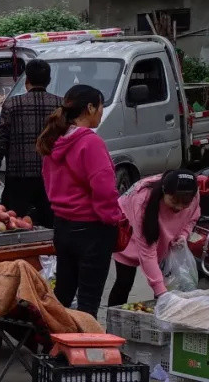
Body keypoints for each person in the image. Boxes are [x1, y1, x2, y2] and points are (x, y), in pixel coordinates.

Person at [38, 84, 123, 316]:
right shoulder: (91, 142)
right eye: (101, 106)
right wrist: (112, 219)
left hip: (63, 226)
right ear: (90, 107)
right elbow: (105, 190)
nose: (101, 112)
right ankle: (83, 349)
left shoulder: (54, 139)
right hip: (92, 229)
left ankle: (57, 348)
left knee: (64, 295)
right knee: (88, 301)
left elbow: (48, 183)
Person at [108, 170, 200, 306]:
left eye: (185, 204)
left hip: (163, 233)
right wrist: (162, 294)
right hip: (129, 231)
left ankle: (161, 319)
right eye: (174, 201)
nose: (179, 207)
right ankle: (113, 323)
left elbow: (193, 216)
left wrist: (183, 235)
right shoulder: (143, 201)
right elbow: (147, 253)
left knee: (167, 282)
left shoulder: (193, 194)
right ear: (164, 192)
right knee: (124, 281)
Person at [0, 59, 62, 226]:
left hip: (18, 178)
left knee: (18, 226)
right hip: (52, 178)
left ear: (26, 80)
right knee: (50, 225)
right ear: (49, 80)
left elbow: (0, 143)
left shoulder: (11, 104)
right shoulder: (60, 104)